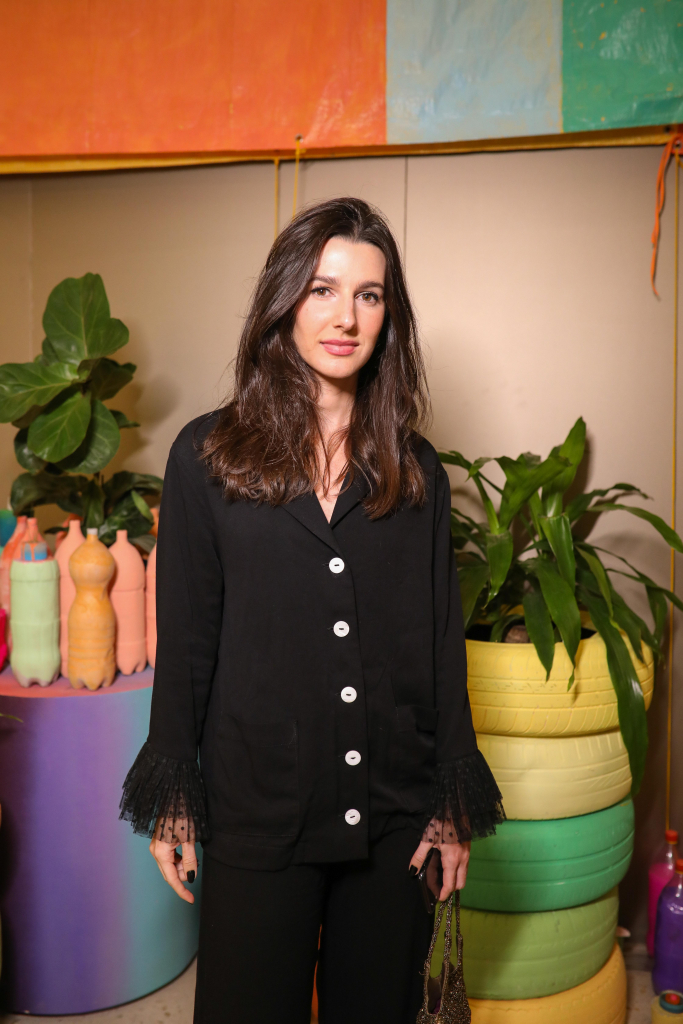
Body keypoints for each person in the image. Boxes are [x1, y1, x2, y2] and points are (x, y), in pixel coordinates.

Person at [120, 197, 504, 1024]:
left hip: (394, 813)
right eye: (322, 290)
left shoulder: (417, 472)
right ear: (284, 300)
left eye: (368, 295)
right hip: (257, 811)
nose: (345, 317)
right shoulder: (205, 458)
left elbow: (441, 645)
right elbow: (186, 642)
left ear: (388, 316)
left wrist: (449, 806)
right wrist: (175, 796)